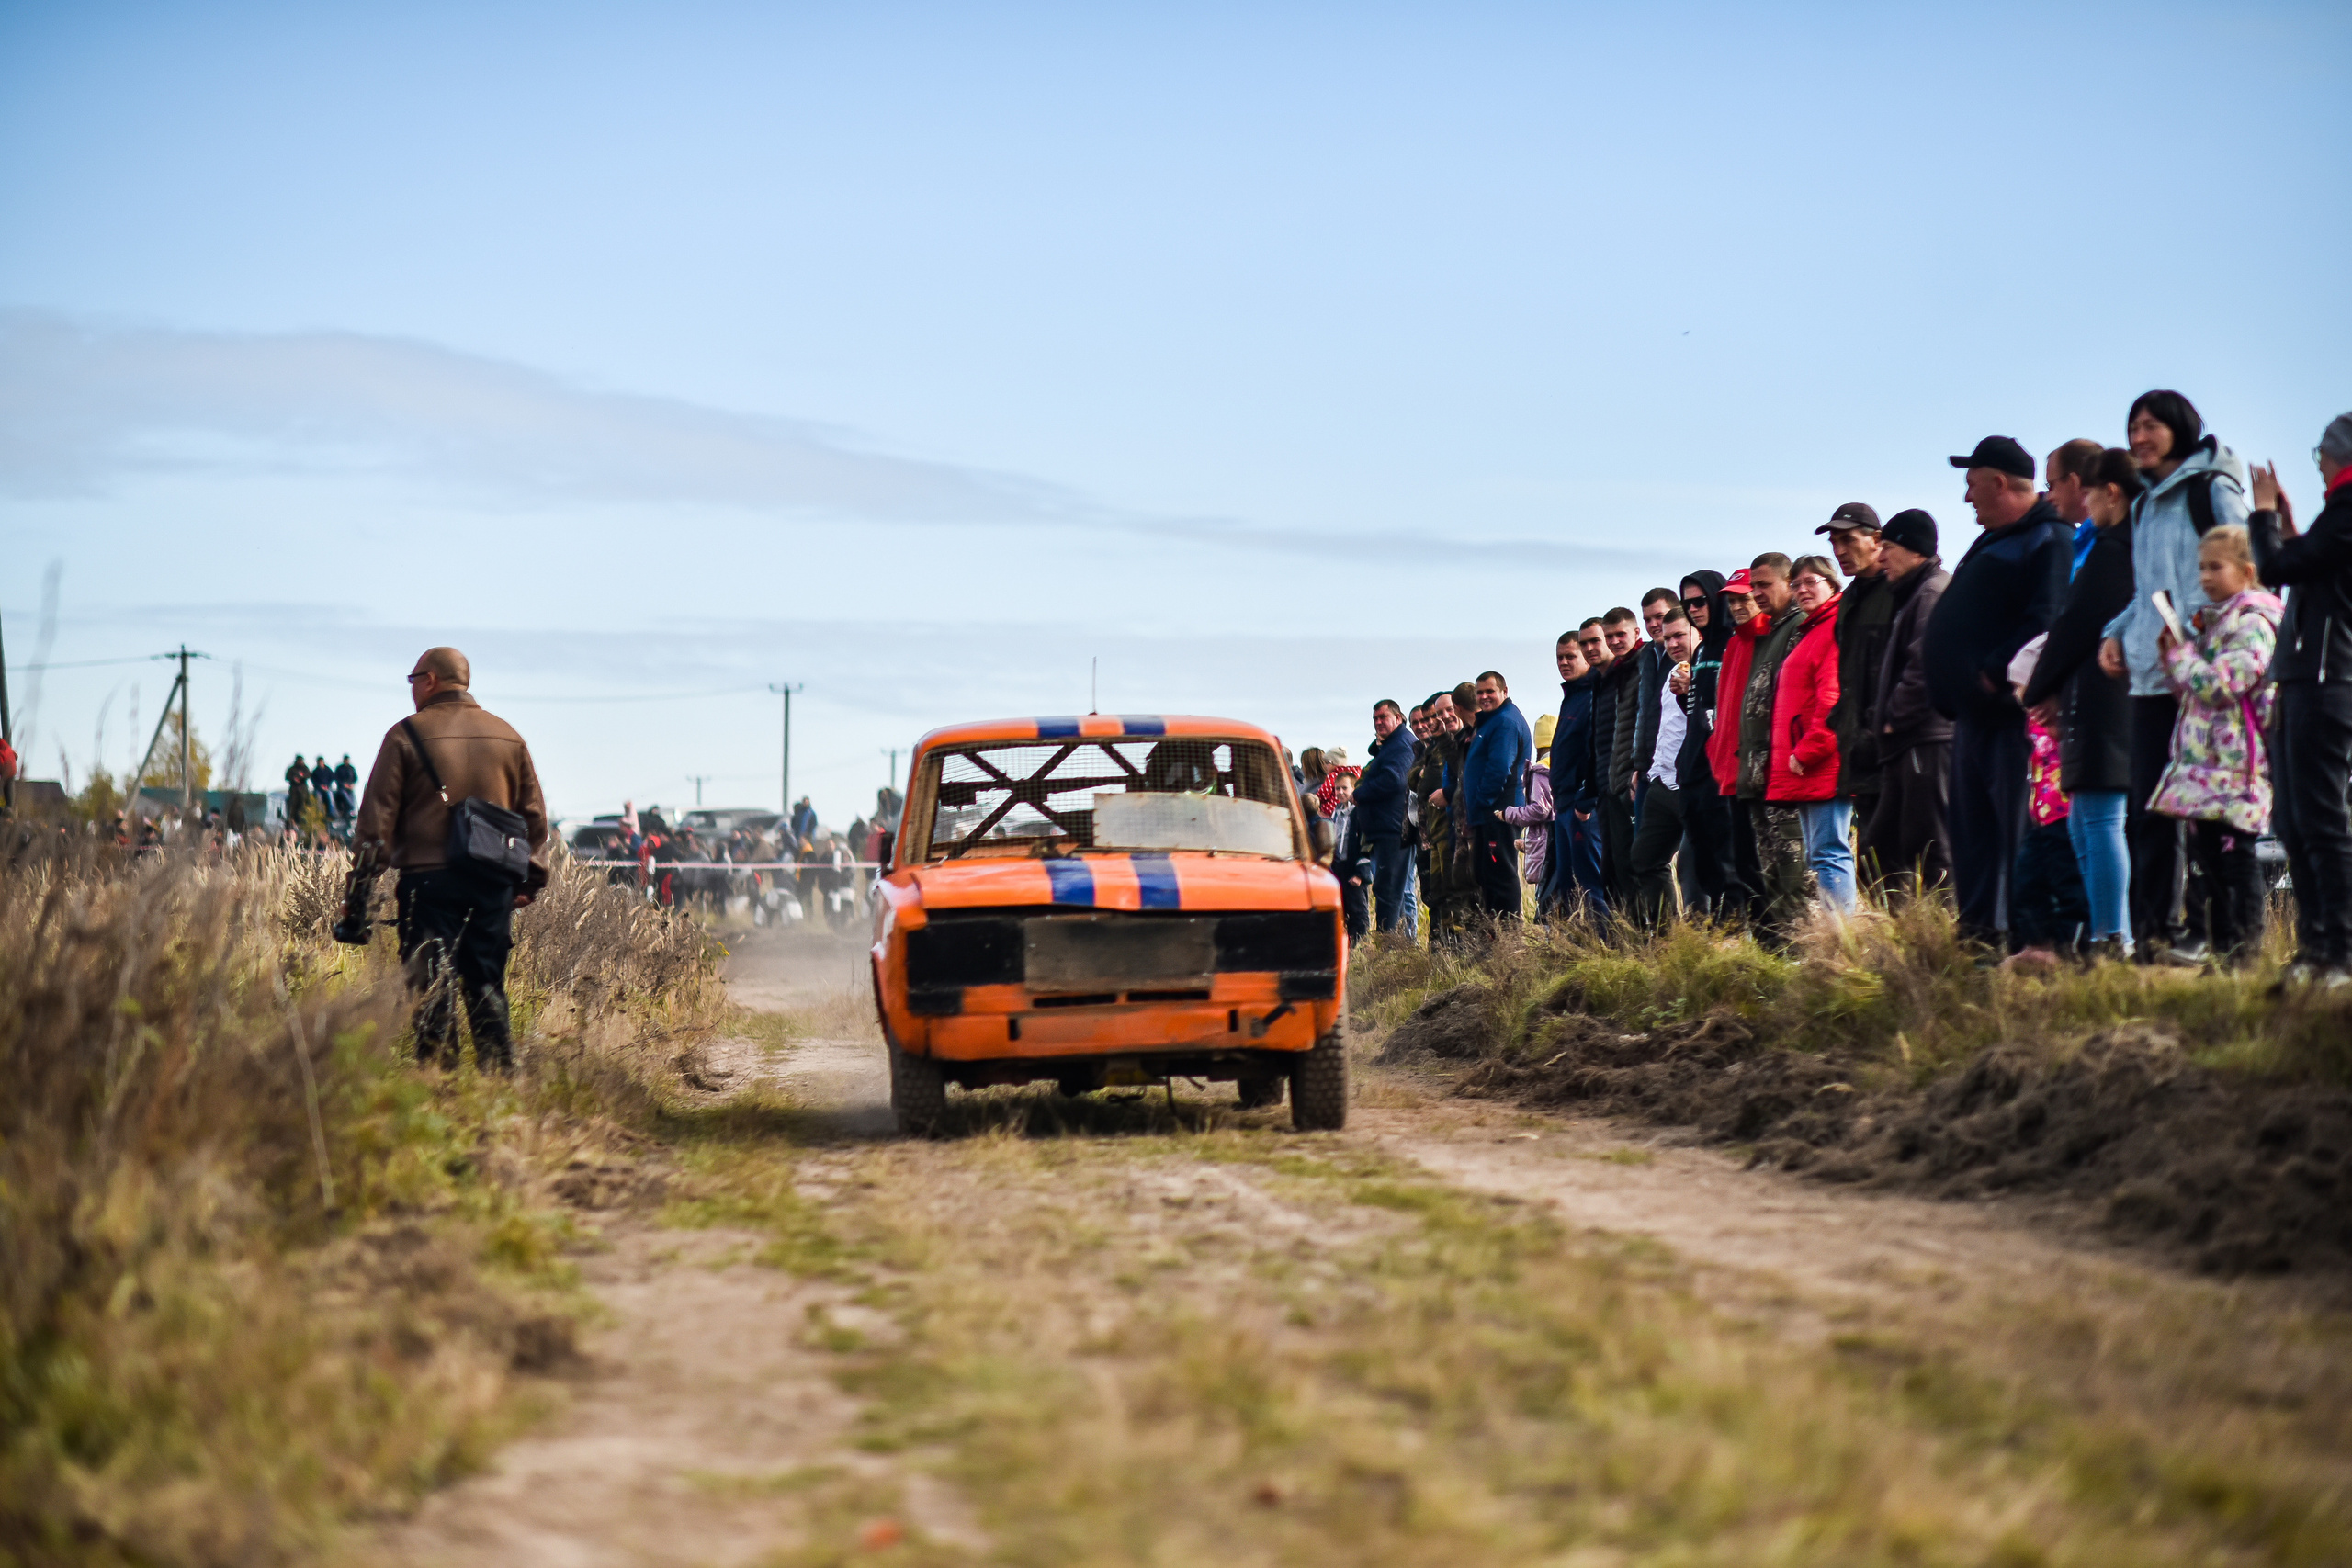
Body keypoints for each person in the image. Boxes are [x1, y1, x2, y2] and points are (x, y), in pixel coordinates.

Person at [2098, 391, 2252, 961]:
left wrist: (2205, 635)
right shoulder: (2142, 505)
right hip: (2150, 677)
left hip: (2205, 678)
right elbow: (2146, 593)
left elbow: (2245, 566)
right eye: (2133, 427)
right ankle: (2153, 937)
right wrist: (2115, 632)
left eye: (2151, 426)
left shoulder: (2211, 489)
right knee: (2149, 810)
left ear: (2180, 429)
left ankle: (2215, 937)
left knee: (2206, 814)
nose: (2139, 437)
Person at [351, 647, 548, 1072]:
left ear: (431, 680)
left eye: (413, 680)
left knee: (430, 982)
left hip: (429, 882)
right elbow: (533, 816)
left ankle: (441, 1081)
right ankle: (499, 1080)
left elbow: (376, 821)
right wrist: (530, 880)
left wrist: (361, 887)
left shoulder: (405, 735)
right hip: (493, 883)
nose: (411, 689)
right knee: (486, 981)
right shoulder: (508, 736)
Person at [1924, 436, 2072, 948]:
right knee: (1971, 832)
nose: (1967, 497)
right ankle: (1978, 936)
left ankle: (2017, 938)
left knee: (2012, 831)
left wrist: (1992, 671)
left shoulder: (2049, 538)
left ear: (2000, 482)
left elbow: (2047, 617)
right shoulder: (1996, 539)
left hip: (2010, 718)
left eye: (1972, 484)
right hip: (1972, 717)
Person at [2021, 449, 2140, 959]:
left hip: (2105, 700)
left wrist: (2037, 687)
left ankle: (2113, 935)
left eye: (2089, 494)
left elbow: (2077, 623)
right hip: (2090, 696)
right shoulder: (2111, 544)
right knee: (2083, 823)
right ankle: (2104, 932)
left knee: (2100, 820)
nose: (2084, 505)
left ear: (2110, 492)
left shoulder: (2115, 549)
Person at [2147, 526, 2282, 965]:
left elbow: (2221, 684)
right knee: (2208, 861)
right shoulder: (2217, 623)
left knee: (2236, 859)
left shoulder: (2253, 624)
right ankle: (2223, 951)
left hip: (2236, 764)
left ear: (2247, 571)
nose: (2205, 577)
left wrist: (2183, 658)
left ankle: (2244, 953)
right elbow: (2195, 692)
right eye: (2201, 567)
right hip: (2208, 764)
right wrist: (2175, 659)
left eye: (2215, 567)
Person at [2250, 414, 2352, 987]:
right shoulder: (2336, 515)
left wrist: (2263, 515)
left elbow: (2274, 568)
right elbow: (2306, 566)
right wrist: (2290, 527)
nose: (2317, 464)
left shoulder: (2349, 509)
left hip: (2327, 680)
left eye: (2320, 454)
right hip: (2303, 679)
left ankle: (2339, 950)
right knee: (2292, 819)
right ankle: (2315, 949)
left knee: (2321, 820)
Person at [1862, 510, 1952, 895]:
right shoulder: (1915, 592)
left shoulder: (1931, 592)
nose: (1880, 557)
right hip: (1909, 743)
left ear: (1915, 551)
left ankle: (1944, 924)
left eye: (1888, 547)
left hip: (1924, 740)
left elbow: (1926, 664)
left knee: (1932, 848)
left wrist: (1893, 717)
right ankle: (1904, 925)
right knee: (1878, 853)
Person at [1765, 556, 1849, 921]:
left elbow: (1833, 698)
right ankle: (1831, 936)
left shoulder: (1832, 628)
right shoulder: (1812, 630)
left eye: (1810, 581)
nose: (1802, 589)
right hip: (1805, 764)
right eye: (1796, 584)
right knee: (1819, 854)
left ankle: (1842, 939)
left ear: (1832, 584)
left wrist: (1809, 750)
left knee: (1830, 852)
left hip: (1821, 761)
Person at [1735, 554, 1807, 928]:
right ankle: (1782, 950)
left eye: (1765, 585)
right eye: (1754, 586)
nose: (1756, 593)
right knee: (1772, 872)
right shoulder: (1771, 631)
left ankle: (1808, 947)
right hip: (1759, 772)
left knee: (1795, 869)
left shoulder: (1800, 625)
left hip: (1787, 770)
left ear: (1788, 583)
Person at [1820, 504, 1893, 862]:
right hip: (1859, 750)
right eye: (1834, 542)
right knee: (1871, 861)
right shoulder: (1849, 598)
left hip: (1896, 746)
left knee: (1908, 859)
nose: (1839, 551)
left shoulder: (1901, 590)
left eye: (1848, 540)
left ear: (1876, 539)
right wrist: (1842, 723)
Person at [1628, 608, 1701, 925]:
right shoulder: (1671, 672)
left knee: (1693, 865)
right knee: (1644, 858)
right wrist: (1646, 765)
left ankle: (1704, 933)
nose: (1672, 644)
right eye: (1667, 638)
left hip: (1694, 781)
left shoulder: (1709, 668)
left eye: (1679, 635)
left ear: (1697, 632)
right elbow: (1664, 726)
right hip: (1661, 777)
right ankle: (1667, 935)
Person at [1459, 671, 1533, 919]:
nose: (1484, 697)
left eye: (1490, 691)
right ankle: (1494, 933)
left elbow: (1500, 768)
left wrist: (1481, 802)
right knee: (1486, 875)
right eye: (1480, 692)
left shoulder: (1505, 722)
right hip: (1486, 815)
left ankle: (1508, 933)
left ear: (1504, 691)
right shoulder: (1490, 721)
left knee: (1500, 875)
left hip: (1500, 813)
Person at [1544, 632, 1606, 919]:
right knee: (1569, 887)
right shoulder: (1571, 696)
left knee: (1591, 883)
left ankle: (1604, 940)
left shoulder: (1593, 693)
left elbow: (1593, 749)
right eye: (1560, 657)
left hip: (1582, 806)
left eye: (1571, 656)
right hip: (1563, 804)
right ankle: (1579, 942)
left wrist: (1585, 799)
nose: (1564, 663)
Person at [1350, 700, 1417, 935]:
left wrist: (1360, 793)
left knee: (1390, 891)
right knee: (1389, 890)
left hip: (1393, 829)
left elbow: (1395, 780)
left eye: (1383, 717)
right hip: (1385, 829)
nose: (1378, 722)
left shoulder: (1402, 744)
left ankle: (1390, 945)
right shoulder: (1391, 745)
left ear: (1398, 718)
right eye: (1375, 719)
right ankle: (1394, 943)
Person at [1595, 608, 1645, 909]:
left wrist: (1638, 769)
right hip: (1613, 781)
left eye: (1620, 634)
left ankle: (1650, 929)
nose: (1614, 641)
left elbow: (1647, 722)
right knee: (1614, 867)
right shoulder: (1616, 672)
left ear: (1636, 633)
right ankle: (1624, 931)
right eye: (1609, 636)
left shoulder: (1646, 664)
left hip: (1634, 780)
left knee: (1636, 865)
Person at [1499, 713, 1556, 899]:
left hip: (1547, 844)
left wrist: (1509, 814)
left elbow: (1540, 810)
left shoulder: (1540, 771)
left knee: (1546, 894)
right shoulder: (1563, 767)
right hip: (1559, 840)